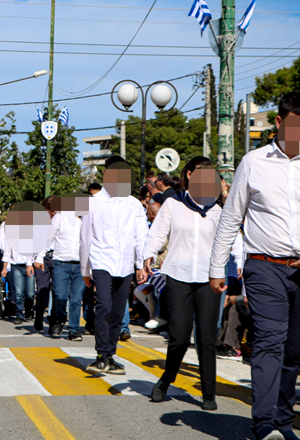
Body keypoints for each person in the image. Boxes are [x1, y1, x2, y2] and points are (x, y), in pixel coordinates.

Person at [210, 92, 300, 440]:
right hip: (263, 266)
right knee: (269, 341)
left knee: (292, 348)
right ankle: (264, 426)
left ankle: (284, 422)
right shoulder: (253, 162)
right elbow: (230, 218)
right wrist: (216, 268)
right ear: (277, 122)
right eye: (291, 125)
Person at [144, 157, 235, 411]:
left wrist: (241, 262)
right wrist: (147, 256)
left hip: (209, 279)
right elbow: (157, 234)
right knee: (179, 338)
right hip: (178, 276)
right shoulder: (173, 205)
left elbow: (231, 239)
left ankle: (209, 393)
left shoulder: (218, 210)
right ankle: (166, 380)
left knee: (207, 338)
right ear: (189, 175)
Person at [81, 156, 148, 374]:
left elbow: (141, 236)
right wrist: (85, 269)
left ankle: (110, 354)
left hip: (126, 263)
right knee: (104, 306)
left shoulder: (134, 204)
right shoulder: (93, 202)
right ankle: (101, 354)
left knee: (119, 311)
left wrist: (141, 264)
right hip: (101, 261)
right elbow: (85, 238)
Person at [0, 201, 47, 325]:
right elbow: (7, 251)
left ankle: (29, 311)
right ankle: (19, 315)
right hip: (15, 266)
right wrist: (5, 267)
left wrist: (31, 262)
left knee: (30, 294)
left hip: (29, 266)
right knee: (19, 293)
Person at [46, 196, 85, 341]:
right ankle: (59, 319)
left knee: (76, 299)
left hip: (81, 265)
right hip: (61, 263)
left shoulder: (87, 220)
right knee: (60, 295)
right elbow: (48, 238)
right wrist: (38, 258)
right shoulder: (60, 217)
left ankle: (74, 329)